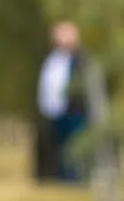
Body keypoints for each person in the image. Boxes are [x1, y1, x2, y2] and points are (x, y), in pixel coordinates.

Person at [34, 20, 90, 184]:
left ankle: (74, 180)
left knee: (74, 148)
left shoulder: (81, 61)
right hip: (53, 111)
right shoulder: (51, 59)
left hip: (74, 112)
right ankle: (60, 178)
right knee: (58, 148)